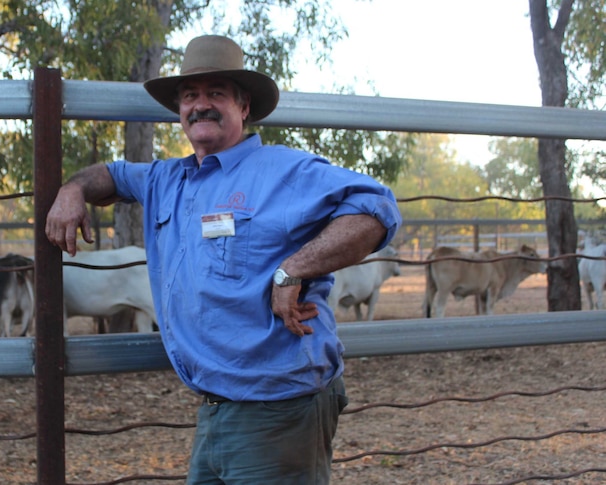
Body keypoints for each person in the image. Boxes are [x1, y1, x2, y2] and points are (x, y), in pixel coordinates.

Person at [46, 34, 402, 485]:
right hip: (216, 407)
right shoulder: (165, 179)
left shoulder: (283, 171)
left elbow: (376, 209)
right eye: (190, 96)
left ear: (244, 107)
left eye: (216, 93)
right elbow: (109, 175)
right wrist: (72, 190)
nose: (201, 105)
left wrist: (294, 268)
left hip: (279, 404)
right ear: (179, 110)